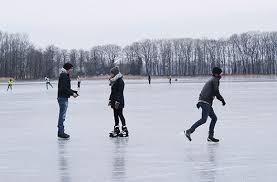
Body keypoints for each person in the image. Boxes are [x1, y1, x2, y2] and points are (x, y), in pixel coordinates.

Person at [185, 67, 226, 142]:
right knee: (204, 119)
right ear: (217, 74)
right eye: (221, 73)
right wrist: (222, 100)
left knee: (214, 118)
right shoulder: (215, 80)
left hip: (205, 102)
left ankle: (210, 136)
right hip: (205, 102)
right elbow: (216, 92)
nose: (222, 74)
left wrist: (200, 101)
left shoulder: (213, 79)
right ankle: (189, 131)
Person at [57, 63, 79, 139]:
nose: (72, 70)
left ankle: (61, 131)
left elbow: (66, 88)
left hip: (63, 97)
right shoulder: (64, 76)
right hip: (62, 98)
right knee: (62, 116)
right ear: (68, 69)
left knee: (62, 115)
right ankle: (60, 132)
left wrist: (74, 92)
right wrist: (72, 93)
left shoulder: (64, 75)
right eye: (71, 68)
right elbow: (63, 88)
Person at [108, 66, 128, 137]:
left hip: (118, 101)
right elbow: (112, 92)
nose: (110, 75)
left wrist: (118, 101)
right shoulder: (114, 81)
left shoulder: (120, 81)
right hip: (114, 100)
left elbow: (120, 92)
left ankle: (125, 129)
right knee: (115, 114)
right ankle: (116, 128)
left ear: (115, 73)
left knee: (120, 114)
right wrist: (110, 99)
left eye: (111, 73)